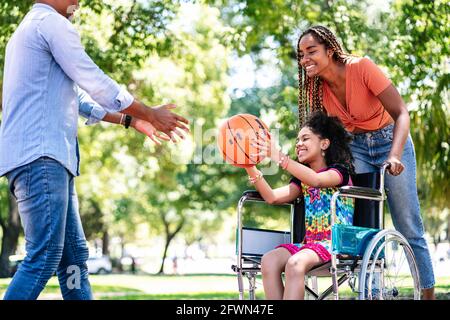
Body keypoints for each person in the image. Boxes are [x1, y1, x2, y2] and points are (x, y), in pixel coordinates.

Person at [0, 0, 189, 300]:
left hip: (44, 158)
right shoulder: (51, 24)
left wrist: (132, 119)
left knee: (74, 258)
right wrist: (151, 113)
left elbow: (81, 99)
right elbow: (97, 83)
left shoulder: (28, 30)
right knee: (45, 255)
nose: (78, 2)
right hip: (42, 158)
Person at [296, 25, 435, 299]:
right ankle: (371, 291)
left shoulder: (361, 68)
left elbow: (401, 112)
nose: (304, 59)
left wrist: (394, 154)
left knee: (407, 224)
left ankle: (428, 294)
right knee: (364, 221)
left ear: (331, 50)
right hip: (355, 147)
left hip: (390, 139)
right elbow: (324, 135)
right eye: (301, 54)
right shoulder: (318, 89)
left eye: (311, 51)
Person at [246, 112, 355, 300]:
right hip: (310, 245)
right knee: (269, 260)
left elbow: (317, 180)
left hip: (335, 244)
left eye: (305, 138)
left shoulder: (339, 172)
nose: (298, 144)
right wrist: (248, 164)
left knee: (295, 263)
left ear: (324, 144)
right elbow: (272, 198)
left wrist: (279, 157)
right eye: (297, 140)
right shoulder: (301, 180)